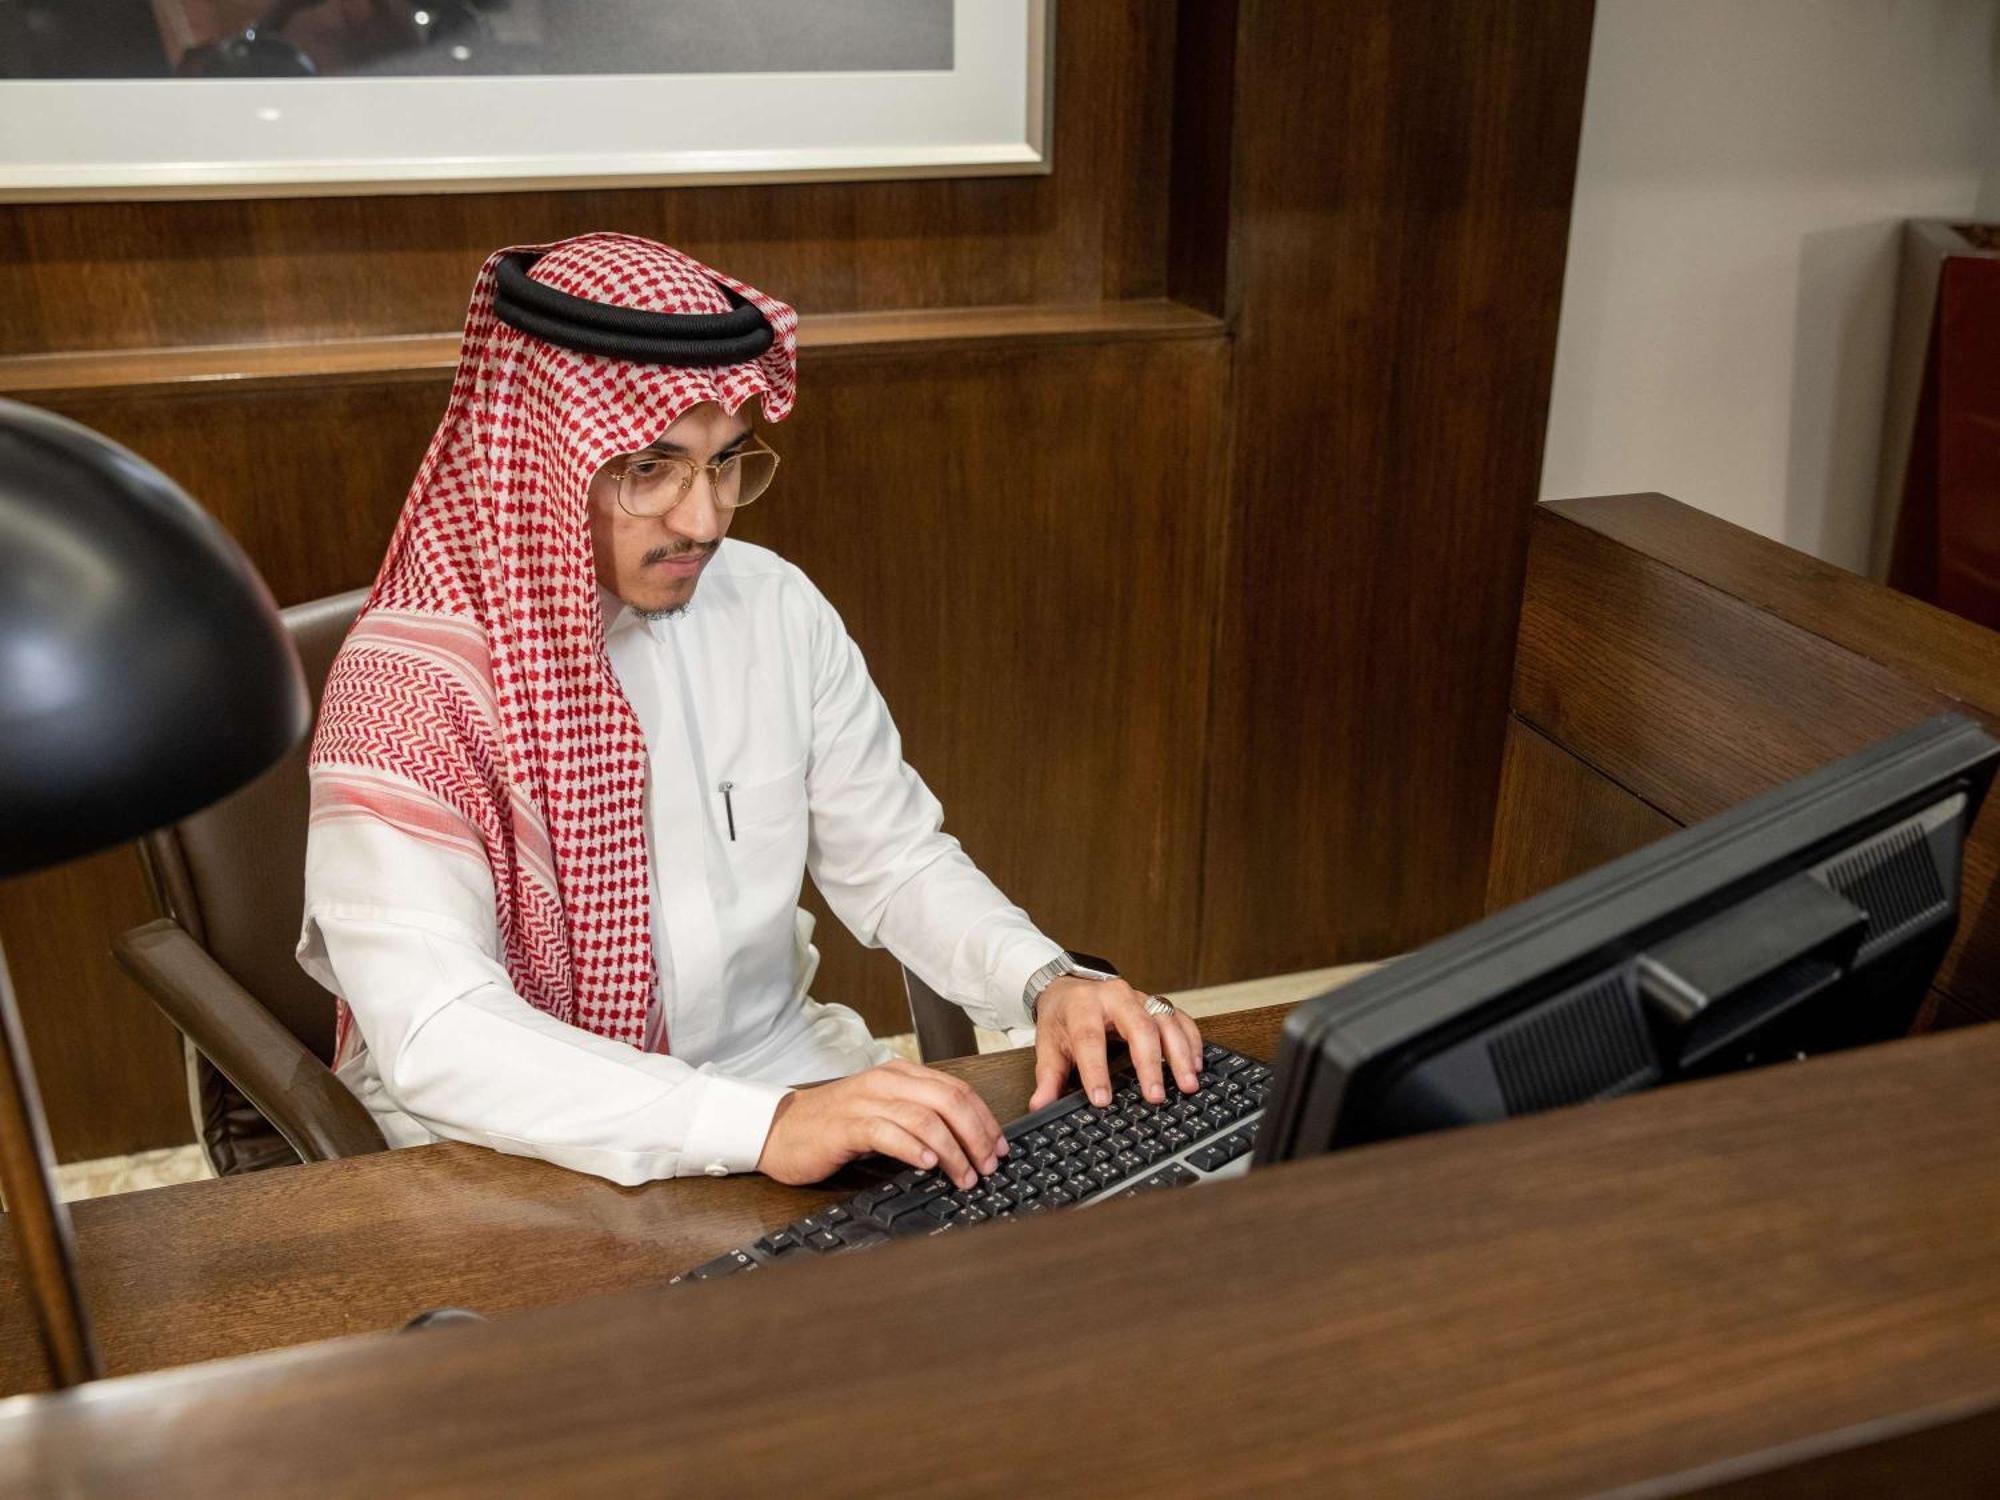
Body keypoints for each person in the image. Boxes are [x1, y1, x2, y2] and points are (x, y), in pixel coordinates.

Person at [298, 232, 1203, 1190]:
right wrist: (753, 1124)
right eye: (650, 468)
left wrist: (1044, 979)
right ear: (541, 457)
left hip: (787, 1079)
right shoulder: (406, 692)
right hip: (515, 1146)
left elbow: (893, 861)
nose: (704, 521)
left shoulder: (771, 604)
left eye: (726, 462)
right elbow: (442, 1032)